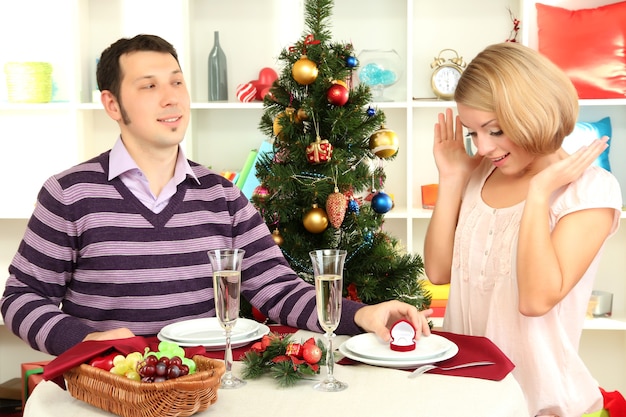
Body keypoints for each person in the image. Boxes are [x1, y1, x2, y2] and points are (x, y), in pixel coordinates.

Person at [0, 34, 431, 357]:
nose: (170, 98)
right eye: (149, 86)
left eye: (177, 82)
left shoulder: (222, 196)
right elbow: (20, 298)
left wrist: (362, 315)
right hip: (110, 387)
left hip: (203, 387)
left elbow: (278, 290)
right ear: (113, 105)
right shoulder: (69, 193)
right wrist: (82, 340)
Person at [423, 42, 622, 417]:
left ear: (532, 113)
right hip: (461, 395)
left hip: (539, 404)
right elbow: (437, 271)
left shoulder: (591, 190)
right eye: (473, 133)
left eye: (494, 130)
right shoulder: (478, 174)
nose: (482, 148)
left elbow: (535, 300)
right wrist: (451, 178)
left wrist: (538, 192)